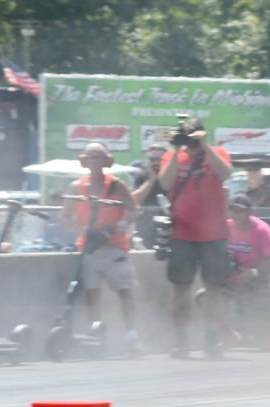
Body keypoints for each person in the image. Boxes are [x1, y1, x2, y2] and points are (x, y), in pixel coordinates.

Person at [159, 117, 235, 359]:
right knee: (181, 288)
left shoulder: (218, 153)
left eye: (195, 137)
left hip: (214, 234)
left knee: (214, 289)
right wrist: (175, 148)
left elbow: (226, 173)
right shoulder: (173, 156)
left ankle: (211, 340)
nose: (191, 143)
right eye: (188, 137)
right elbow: (165, 182)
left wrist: (205, 147)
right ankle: (181, 341)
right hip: (183, 233)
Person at [62, 141, 142, 356]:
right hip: (89, 249)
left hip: (115, 248)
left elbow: (133, 210)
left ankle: (132, 338)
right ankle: (96, 339)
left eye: (98, 158)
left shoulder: (116, 185)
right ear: (83, 161)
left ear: (107, 161)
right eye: (90, 158)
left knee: (126, 292)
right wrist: (84, 230)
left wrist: (117, 227)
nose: (94, 162)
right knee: (92, 295)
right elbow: (65, 219)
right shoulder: (75, 187)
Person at [225, 193, 270, 350]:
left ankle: (265, 335)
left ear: (249, 212)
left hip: (259, 275)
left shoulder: (262, 230)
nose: (236, 215)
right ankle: (228, 334)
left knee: (266, 297)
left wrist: (253, 272)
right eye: (233, 210)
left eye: (240, 211)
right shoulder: (225, 227)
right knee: (204, 299)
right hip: (234, 276)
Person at [131, 143, 168, 249]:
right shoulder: (142, 175)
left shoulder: (174, 175)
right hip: (147, 228)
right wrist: (151, 179)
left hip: (170, 226)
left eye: (159, 159)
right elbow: (134, 200)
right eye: (152, 159)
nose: (156, 163)